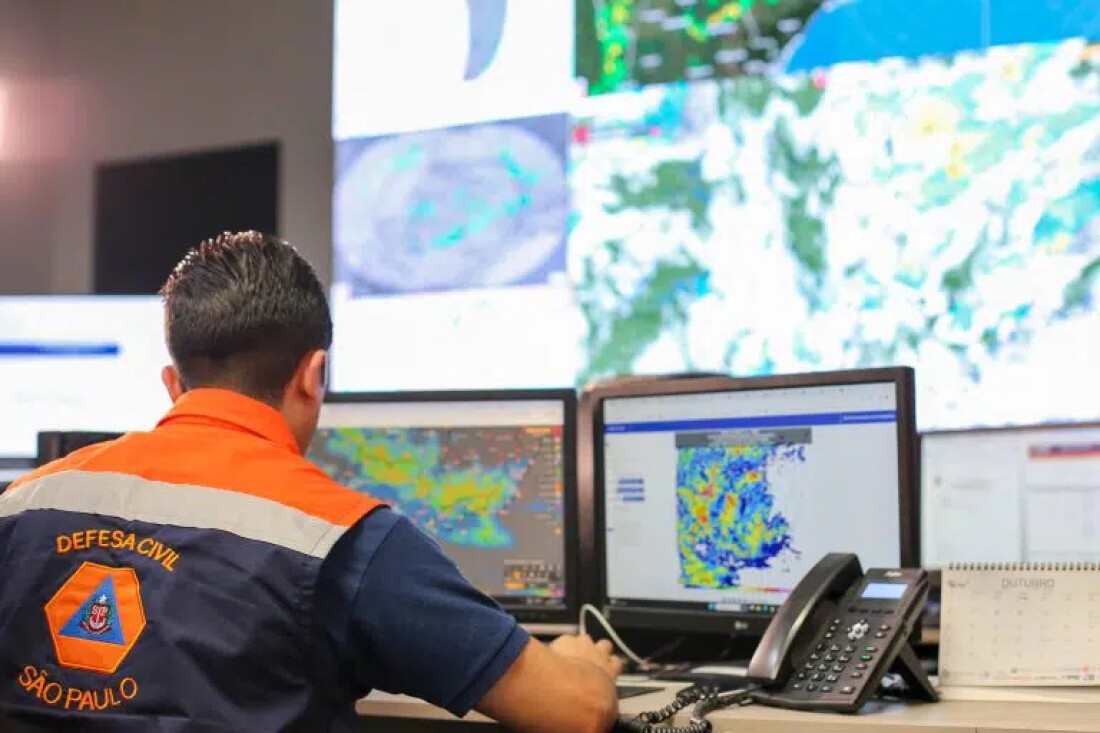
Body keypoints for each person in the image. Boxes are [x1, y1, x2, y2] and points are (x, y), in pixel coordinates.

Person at [0, 232, 621, 731]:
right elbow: (576, 712)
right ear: (313, 375)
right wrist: (582, 664)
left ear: (172, 382)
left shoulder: (24, 502)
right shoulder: (344, 537)